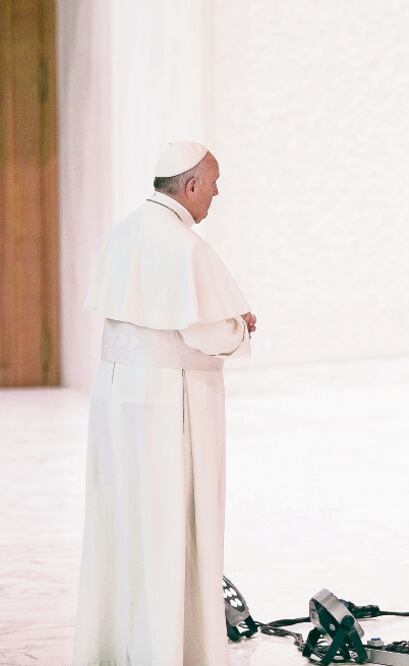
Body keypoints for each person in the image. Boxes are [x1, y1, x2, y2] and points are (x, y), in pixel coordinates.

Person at [73, 141, 256, 666]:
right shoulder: (183, 247)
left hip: (117, 397)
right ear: (191, 185)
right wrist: (238, 327)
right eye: (214, 184)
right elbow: (203, 329)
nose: (217, 194)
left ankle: (117, 645)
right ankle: (170, 651)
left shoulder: (124, 232)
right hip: (171, 403)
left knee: (125, 520)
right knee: (171, 521)